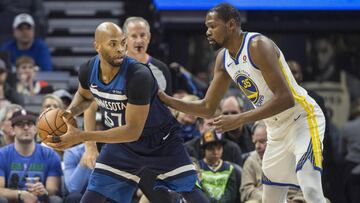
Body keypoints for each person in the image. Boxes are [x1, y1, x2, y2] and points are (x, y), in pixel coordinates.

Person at [158, 3, 326, 203]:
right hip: (276, 130)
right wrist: (165, 99)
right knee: (270, 199)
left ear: (230, 24)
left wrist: (240, 119)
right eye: (206, 27)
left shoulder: (257, 45)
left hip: (302, 120)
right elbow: (207, 107)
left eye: (212, 26)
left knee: (311, 189)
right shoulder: (223, 59)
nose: (207, 32)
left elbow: (285, 98)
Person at [44, 22, 209, 203]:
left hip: (160, 143)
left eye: (122, 43)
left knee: (190, 193)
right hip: (122, 145)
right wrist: (68, 113)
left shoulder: (139, 75)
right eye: (113, 44)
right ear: (97, 46)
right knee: (90, 198)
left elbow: (133, 131)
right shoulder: (88, 70)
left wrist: (82, 136)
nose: (121, 49)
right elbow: (84, 98)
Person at [0, 109, 63, 203]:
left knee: (56, 200)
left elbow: (52, 189)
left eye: (30, 124)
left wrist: (44, 191)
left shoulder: (50, 155)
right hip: (12, 201)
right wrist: (21, 194)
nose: (26, 127)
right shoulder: (2, 154)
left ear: (35, 129)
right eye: (20, 124)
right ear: (12, 130)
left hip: (40, 200)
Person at [123, 16, 172, 95]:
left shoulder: (162, 68)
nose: (139, 41)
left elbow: (168, 104)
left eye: (142, 35)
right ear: (125, 39)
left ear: (149, 37)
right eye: (134, 36)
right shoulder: (116, 67)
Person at [198, 129, 241, 203]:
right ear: (204, 150)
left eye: (219, 148)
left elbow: (231, 194)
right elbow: (198, 192)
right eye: (211, 148)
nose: (215, 152)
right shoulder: (197, 168)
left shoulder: (230, 169)